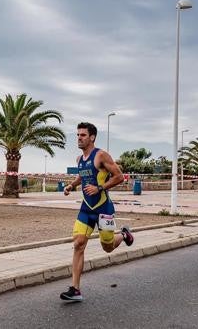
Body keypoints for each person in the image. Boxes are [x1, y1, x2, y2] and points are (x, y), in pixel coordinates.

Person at [59, 122, 134, 302]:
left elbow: (119, 177)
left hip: (103, 209)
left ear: (92, 137)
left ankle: (123, 235)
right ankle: (75, 290)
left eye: (83, 135)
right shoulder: (79, 159)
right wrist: (72, 185)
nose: (79, 138)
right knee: (78, 243)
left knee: (107, 246)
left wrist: (100, 187)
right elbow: (82, 175)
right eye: (77, 135)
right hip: (86, 208)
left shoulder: (101, 155)